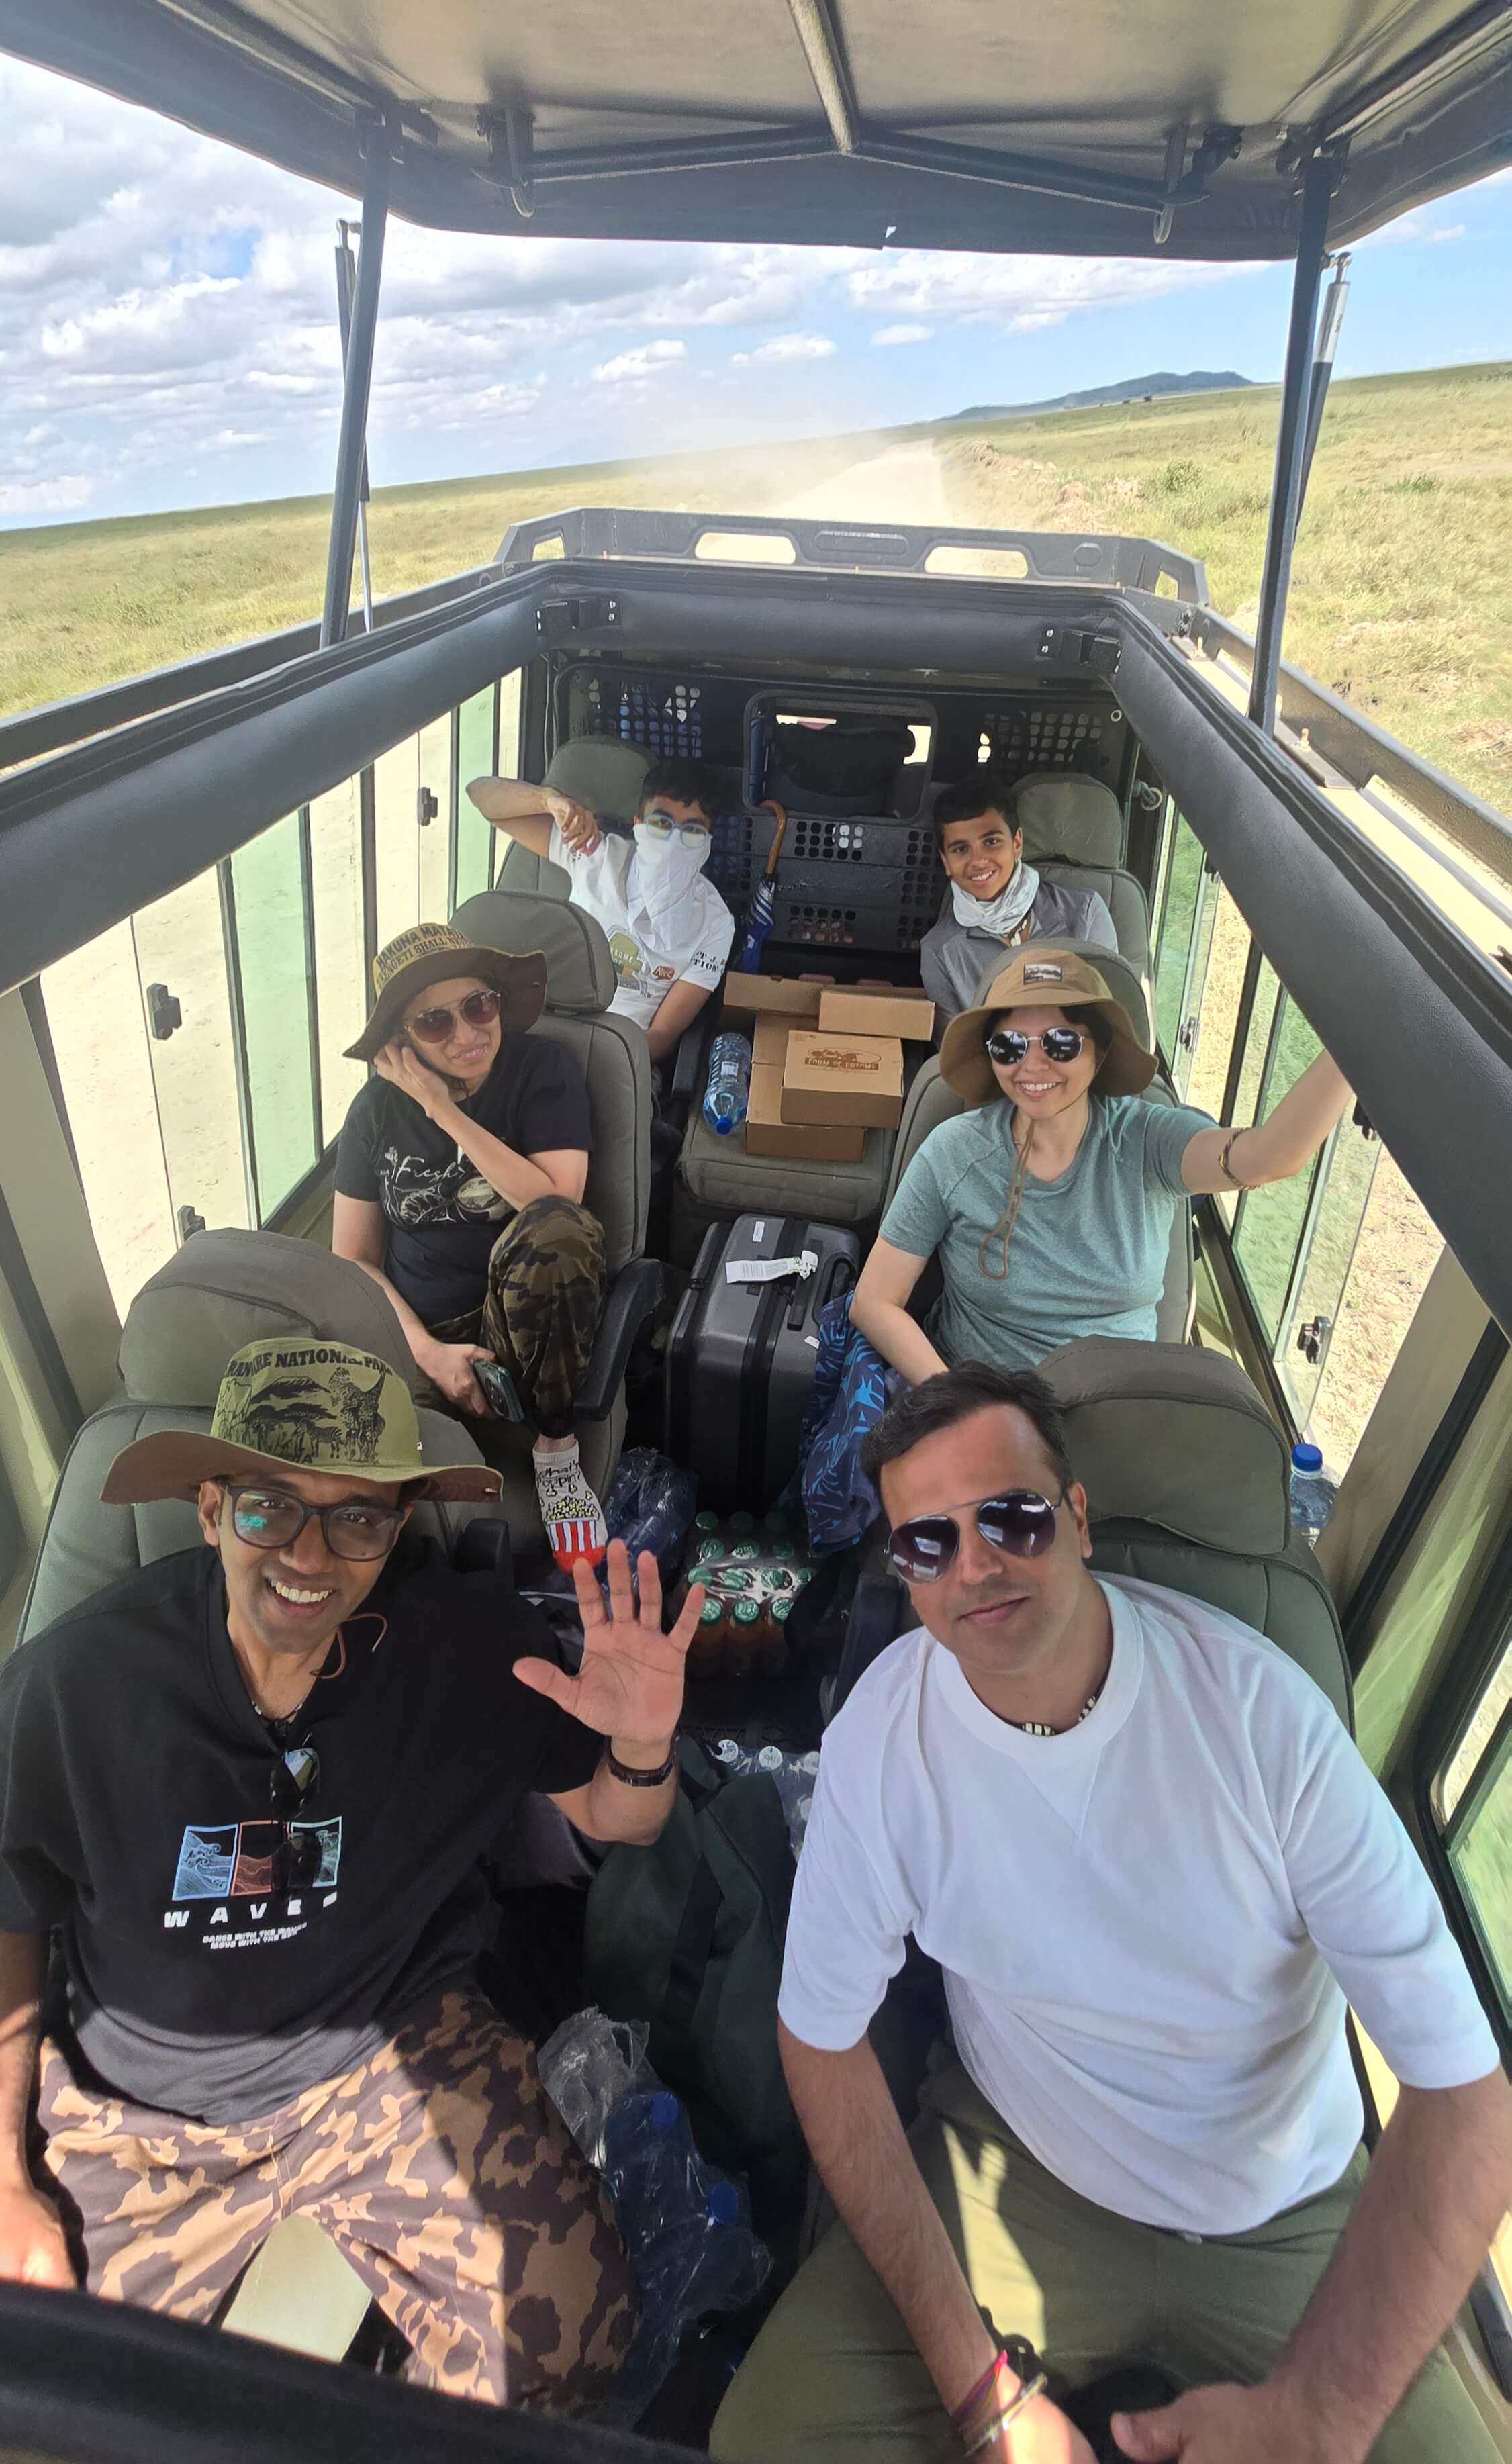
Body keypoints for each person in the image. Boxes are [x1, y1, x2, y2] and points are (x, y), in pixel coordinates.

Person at [711, 1362, 1511, 2464]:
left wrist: (1316, 2418)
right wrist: (980, 2395)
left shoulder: (1264, 1723)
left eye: (1012, 1517)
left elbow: (1467, 2097)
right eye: (928, 1544)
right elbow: (821, 2038)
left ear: (1077, 1519)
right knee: (764, 2437)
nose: (974, 1565)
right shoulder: (882, 1745)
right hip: (1022, 2169)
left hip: (1281, 2209)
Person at [0, 1337, 703, 2408]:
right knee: (51, 2397)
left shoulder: (470, 1649)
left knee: (575, 2335)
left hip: (388, 2050)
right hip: (141, 2110)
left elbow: (621, 1819)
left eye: (358, 1519)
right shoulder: (77, 1686)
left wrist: (642, 1742)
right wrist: (6, 2178)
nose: (310, 1555)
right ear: (208, 1510)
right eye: (268, 1508)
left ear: (400, 1526)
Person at [853, 947, 1355, 1383]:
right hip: (980, 1398)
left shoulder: (1149, 1140)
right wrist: (957, 1405)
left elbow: (1269, 1157)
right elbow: (874, 1301)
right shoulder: (955, 1151)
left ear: (1101, 1051)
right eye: (1009, 1046)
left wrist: (1360, 1034)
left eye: (1060, 1043)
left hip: (1117, 1410)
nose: (1032, 1065)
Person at [332, 920, 609, 1572]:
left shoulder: (541, 1069)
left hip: (530, 1318)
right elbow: (352, 1259)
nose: (466, 1034)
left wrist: (442, 1109)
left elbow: (556, 1202)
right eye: (435, 1021)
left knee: (559, 1231)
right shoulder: (373, 1112)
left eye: (478, 1005)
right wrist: (427, 1352)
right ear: (402, 1038)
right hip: (419, 1332)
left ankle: (555, 1451)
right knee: (363, 1486)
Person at [468, 757, 735, 1064]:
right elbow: (480, 794)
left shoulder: (715, 923)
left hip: (624, 1055)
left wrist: (596, 1063)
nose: (674, 842)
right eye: (661, 824)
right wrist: (549, 800)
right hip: (548, 1025)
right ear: (638, 824)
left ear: (708, 841)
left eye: (693, 831)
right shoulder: (597, 857)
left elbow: (662, 1035)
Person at [920, 779, 1119, 1019]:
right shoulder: (939, 950)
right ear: (946, 861)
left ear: (1017, 844)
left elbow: (1109, 1020)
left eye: (991, 842)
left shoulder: (1085, 913)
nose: (978, 861)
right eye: (961, 849)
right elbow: (953, 1041)